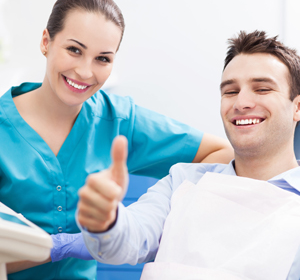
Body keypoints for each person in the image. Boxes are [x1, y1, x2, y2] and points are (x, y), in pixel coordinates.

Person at [2, 0, 233, 280]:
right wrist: (57, 248)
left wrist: (144, 216)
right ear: (46, 41)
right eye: (74, 50)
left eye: (103, 58)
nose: (85, 72)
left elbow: (221, 155)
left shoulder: (120, 120)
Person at [77, 30, 300, 280]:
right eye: (230, 91)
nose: (241, 102)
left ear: (297, 107)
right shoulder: (183, 181)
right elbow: (129, 239)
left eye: (262, 89)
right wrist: (107, 220)